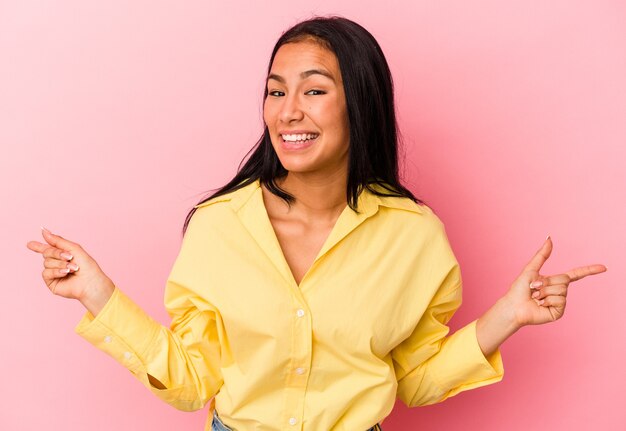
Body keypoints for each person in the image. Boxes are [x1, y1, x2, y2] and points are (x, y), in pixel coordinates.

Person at [27, 16, 606, 431]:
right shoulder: (219, 226)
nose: (288, 111)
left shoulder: (414, 236)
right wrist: (98, 296)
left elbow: (414, 381)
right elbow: (193, 382)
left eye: (314, 90)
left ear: (360, 101)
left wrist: (508, 317)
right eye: (276, 91)